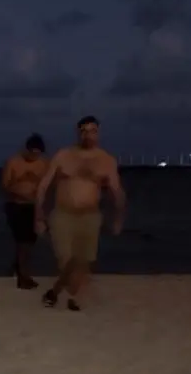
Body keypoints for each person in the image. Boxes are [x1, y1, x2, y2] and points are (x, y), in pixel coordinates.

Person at [35, 115, 125, 311]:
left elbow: (117, 191)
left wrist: (118, 218)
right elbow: (43, 186)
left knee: (83, 261)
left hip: (90, 216)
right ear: (78, 133)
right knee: (66, 258)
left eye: (92, 131)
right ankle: (68, 294)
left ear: (98, 133)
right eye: (83, 131)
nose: (88, 135)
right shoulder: (63, 156)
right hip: (63, 214)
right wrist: (39, 216)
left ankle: (60, 293)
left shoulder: (106, 160)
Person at [1, 134, 49, 289]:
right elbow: (5, 185)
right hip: (17, 206)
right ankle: (23, 276)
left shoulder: (43, 164)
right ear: (26, 149)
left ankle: (19, 268)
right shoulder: (14, 162)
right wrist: (20, 186)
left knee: (30, 242)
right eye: (32, 153)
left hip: (34, 207)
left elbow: (48, 186)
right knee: (23, 242)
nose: (34, 156)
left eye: (37, 153)